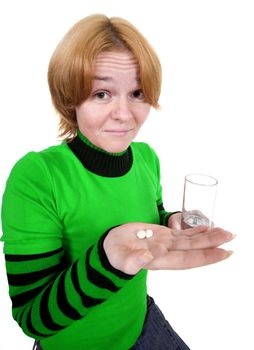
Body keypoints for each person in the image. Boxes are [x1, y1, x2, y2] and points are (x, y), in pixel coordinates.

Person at [1, 14, 234, 350]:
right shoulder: (38, 177)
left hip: (142, 325)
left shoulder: (145, 158)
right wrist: (107, 260)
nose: (125, 114)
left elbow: (149, 217)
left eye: (137, 92)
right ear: (70, 96)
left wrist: (172, 222)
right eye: (102, 94)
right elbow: (33, 317)